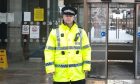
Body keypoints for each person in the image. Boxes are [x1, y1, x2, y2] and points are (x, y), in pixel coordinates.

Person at [44, 6, 91, 84]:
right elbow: (49, 51)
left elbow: (86, 50)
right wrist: (50, 67)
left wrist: (86, 65)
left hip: (77, 74)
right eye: (66, 15)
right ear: (63, 16)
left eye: (70, 16)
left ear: (74, 17)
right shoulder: (55, 32)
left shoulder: (81, 32)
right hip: (60, 75)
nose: (68, 18)